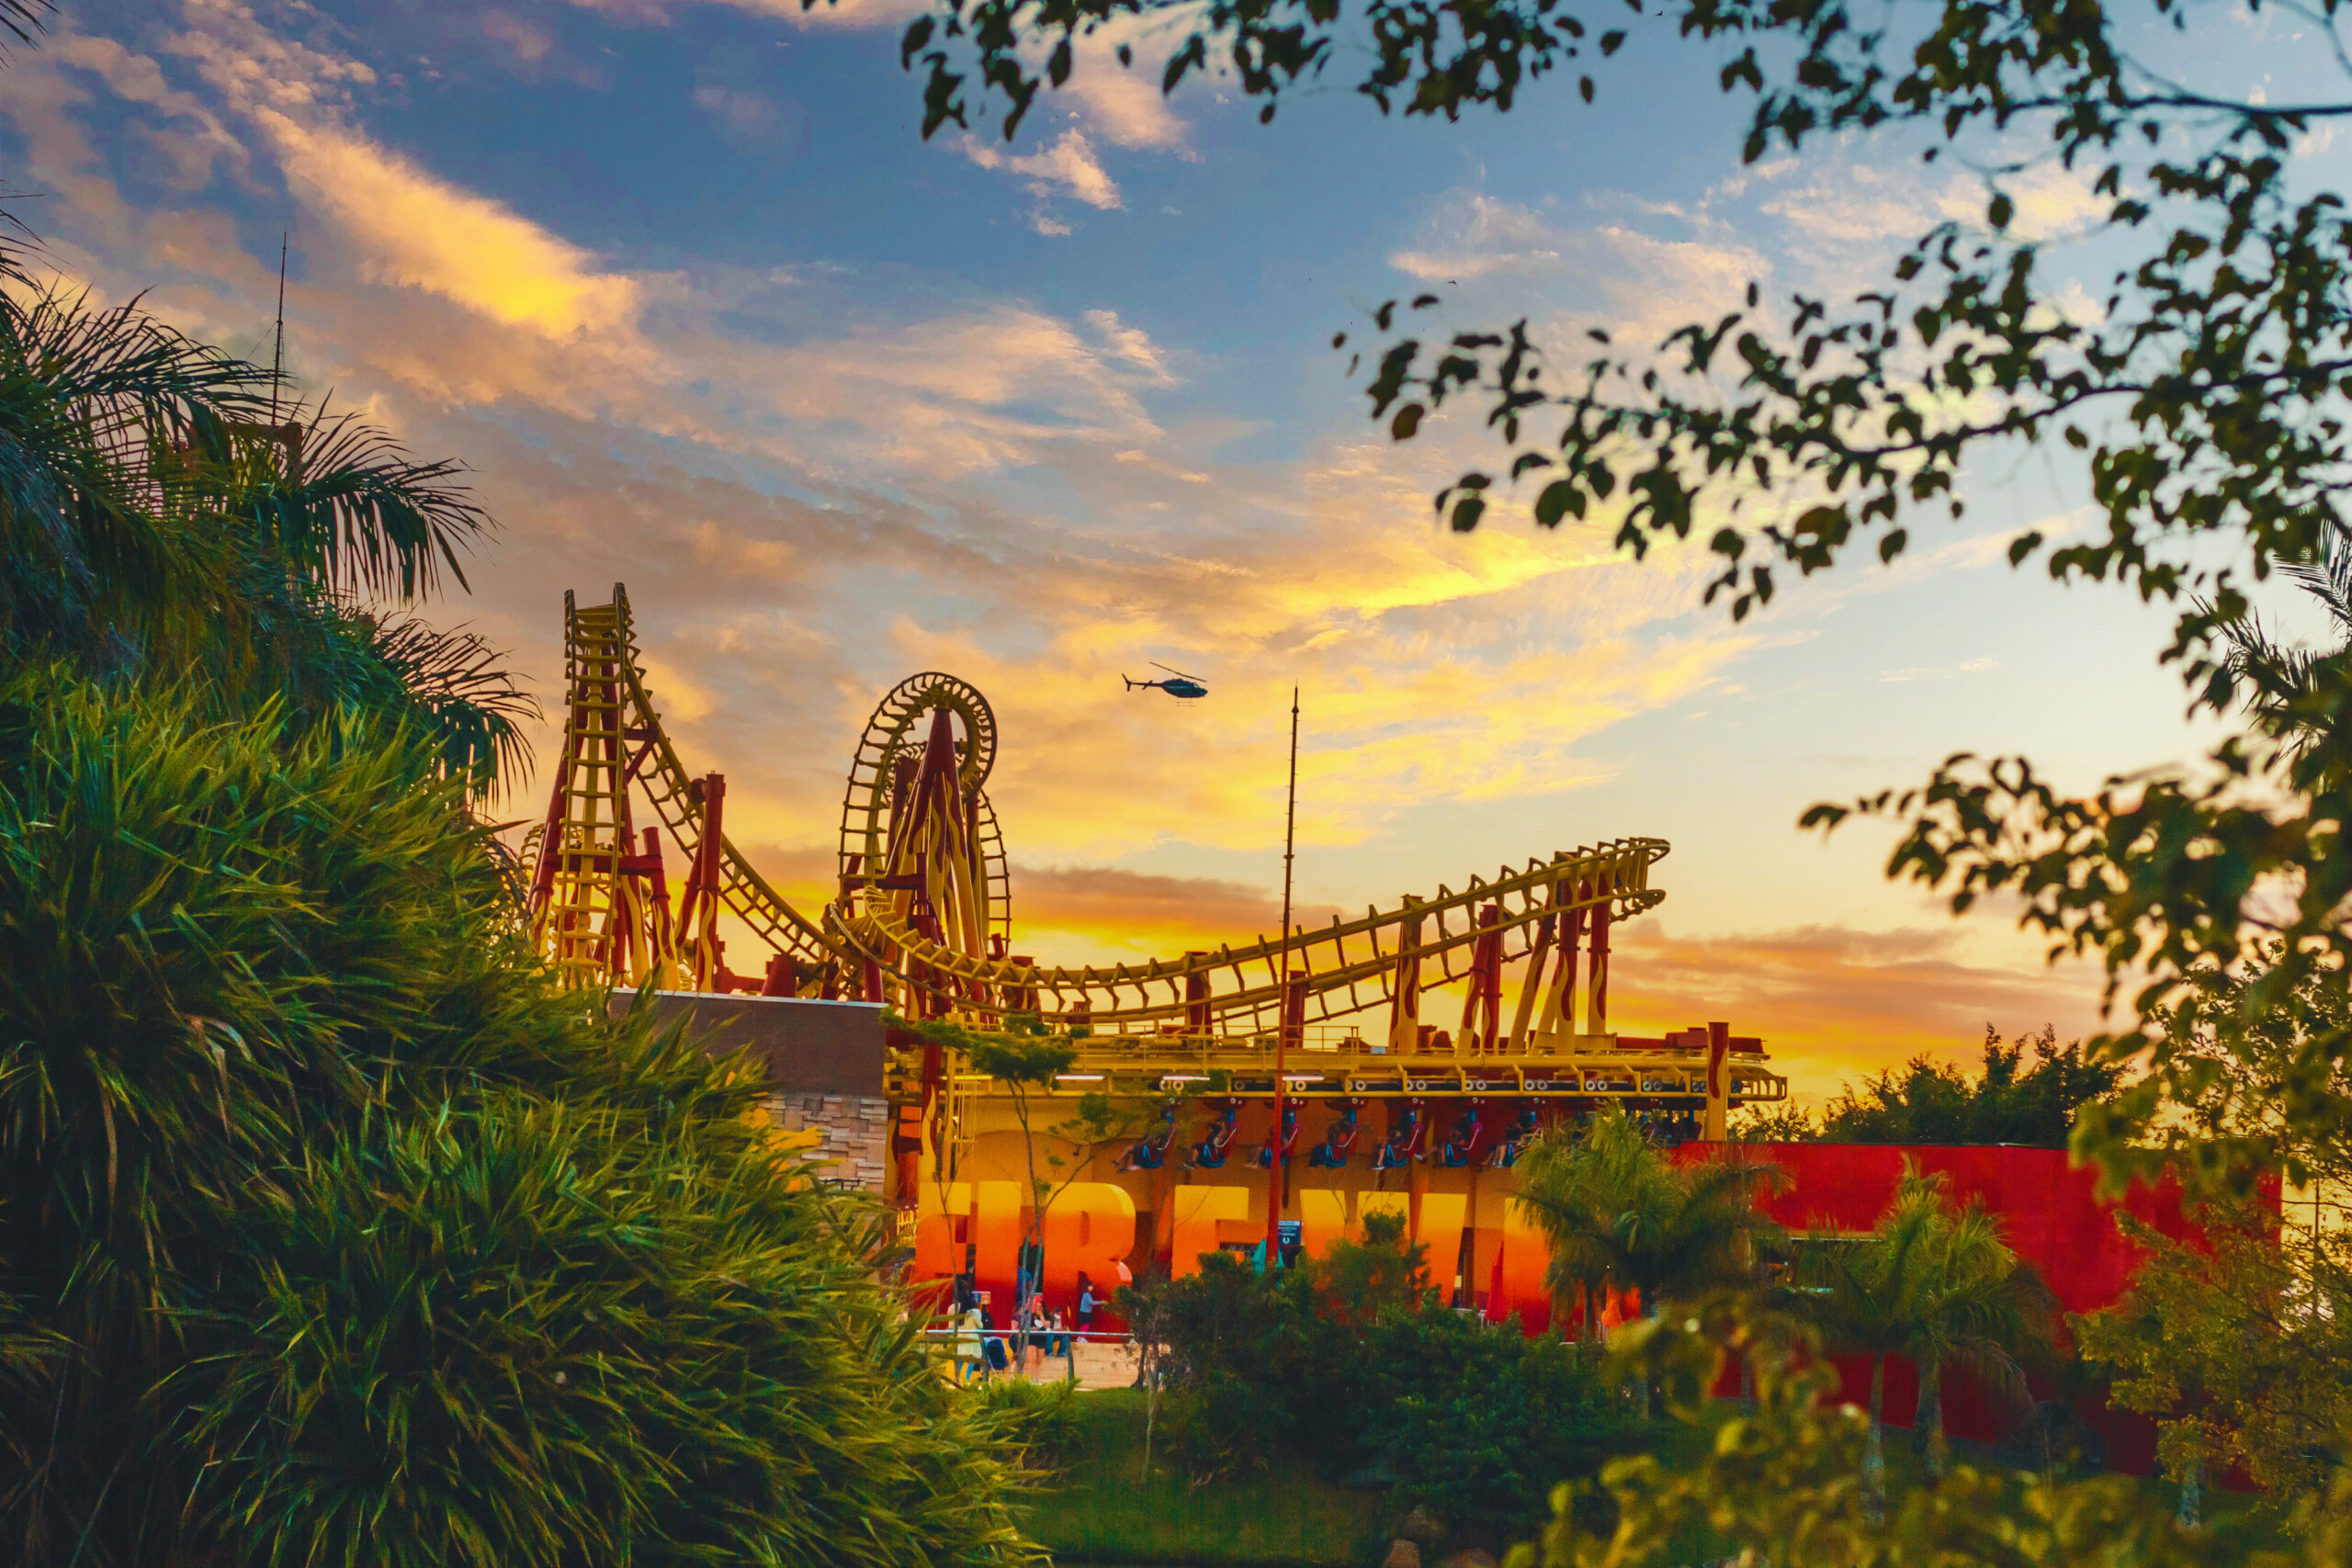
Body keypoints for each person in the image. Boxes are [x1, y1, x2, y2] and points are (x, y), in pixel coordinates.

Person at [954, 1303, 985, 1385]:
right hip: (971, 1339)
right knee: (971, 1359)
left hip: (961, 1338)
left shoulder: (961, 1314)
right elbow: (980, 1326)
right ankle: (967, 1378)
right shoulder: (973, 1314)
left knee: (961, 1359)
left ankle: (956, 1377)